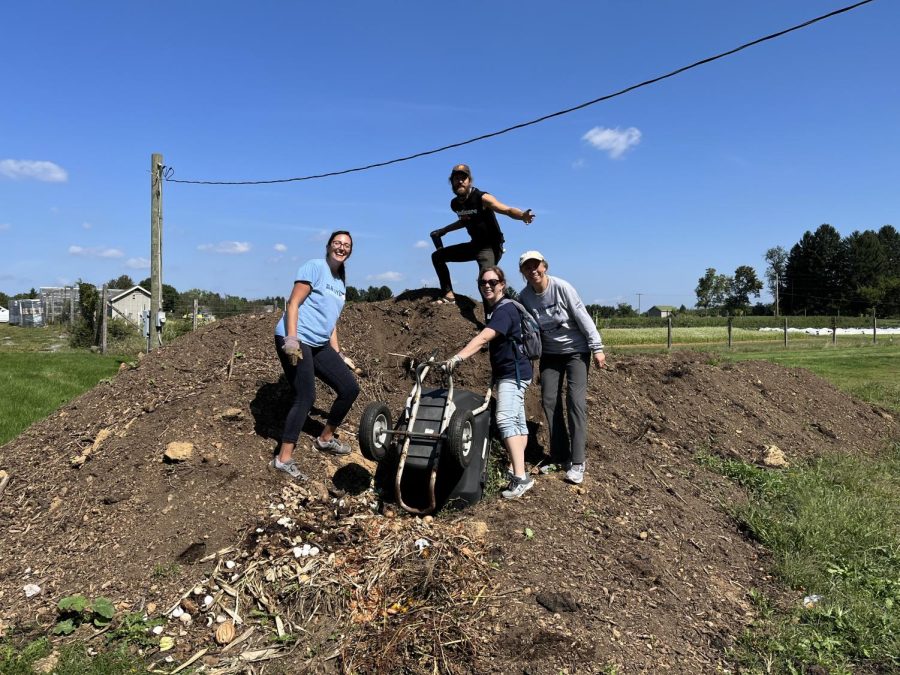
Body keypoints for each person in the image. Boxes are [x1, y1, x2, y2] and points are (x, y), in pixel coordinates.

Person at [271, 230, 361, 480]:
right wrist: (291, 338)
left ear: (350, 251)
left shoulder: (341, 281)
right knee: (306, 396)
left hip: (320, 343)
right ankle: (283, 458)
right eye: (337, 243)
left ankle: (325, 438)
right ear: (328, 246)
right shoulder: (315, 267)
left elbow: (331, 322)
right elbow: (293, 303)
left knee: (349, 388)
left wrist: (338, 354)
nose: (341, 248)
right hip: (296, 337)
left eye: (346, 245)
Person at [441, 266, 535, 499]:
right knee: (516, 421)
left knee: (504, 420)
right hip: (515, 372)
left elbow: (484, 338)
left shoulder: (505, 310)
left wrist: (457, 357)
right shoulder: (497, 309)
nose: (487, 286)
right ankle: (516, 468)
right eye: (483, 282)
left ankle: (520, 478)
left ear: (502, 284)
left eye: (493, 282)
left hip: (513, 375)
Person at [518, 250, 605, 485]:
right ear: (523, 272)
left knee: (575, 402)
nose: (532, 270)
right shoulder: (524, 296)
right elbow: (524, 326)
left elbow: (582, 316)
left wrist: (596, 347)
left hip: (576, 352)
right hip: (550, 354)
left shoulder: (562, 288)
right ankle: (560, 455)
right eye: (527, 267)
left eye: (536, 265)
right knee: (548, 400)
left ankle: (578, 461)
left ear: (544, 266)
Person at [430, 164, 535, 304]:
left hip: (491, 246)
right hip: (475, 245)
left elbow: (506, 209)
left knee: (486, 281)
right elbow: (465, 220)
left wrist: (522, 215)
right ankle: (448, 295)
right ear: (452, 182)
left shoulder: (482, 198)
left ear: (469, 181)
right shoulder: (455, 204)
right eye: (456, 178)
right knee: (437, 256)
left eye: (463, 178)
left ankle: (493, 317)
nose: (460, 181)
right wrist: (444, 230)